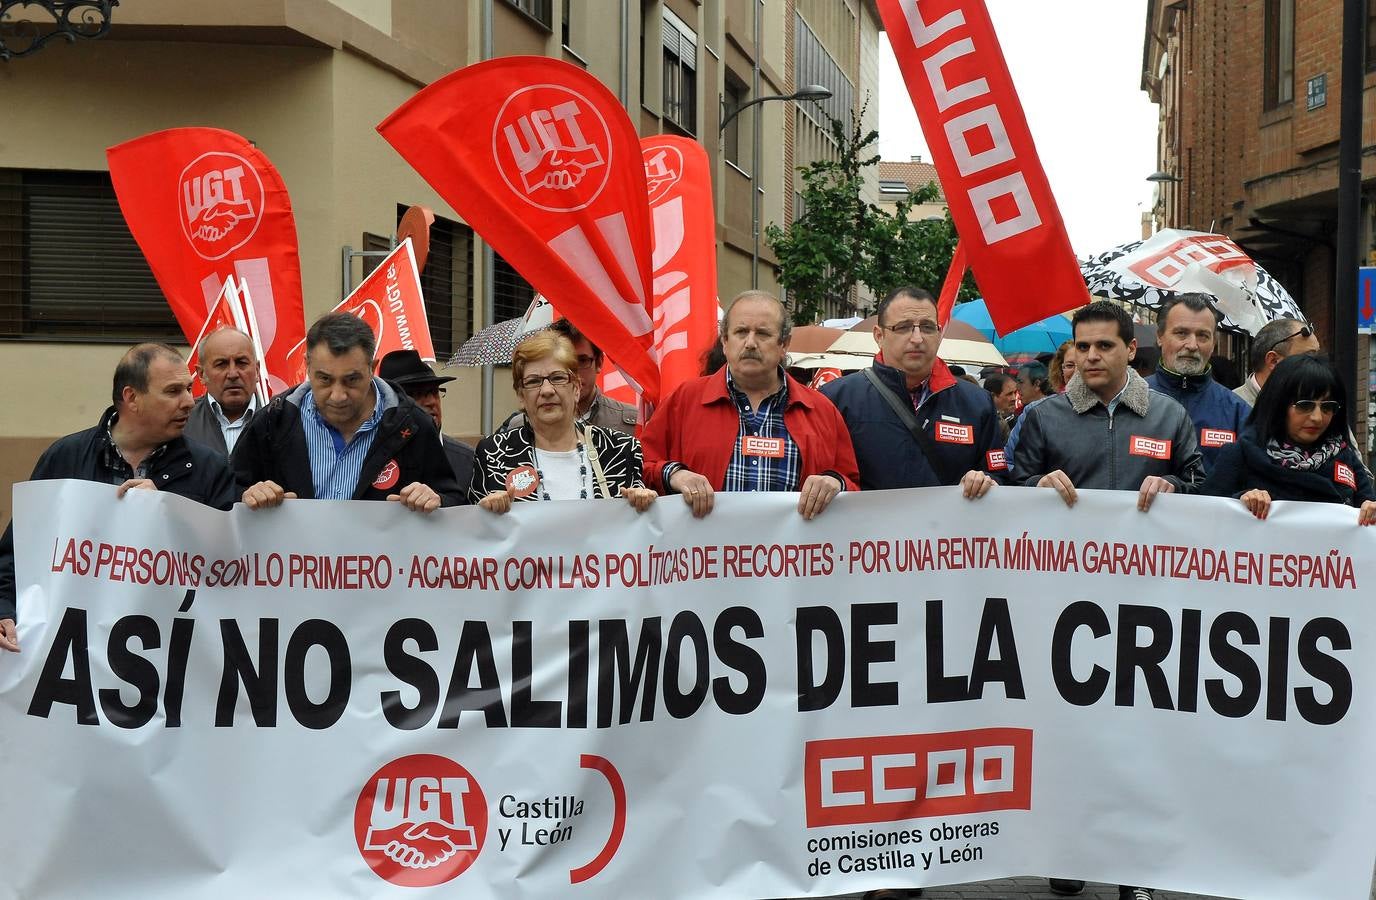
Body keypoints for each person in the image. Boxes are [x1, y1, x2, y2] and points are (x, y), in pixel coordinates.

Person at [0, 343, 236, 653]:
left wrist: (167, 512)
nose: (189, 402)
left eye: (189, 389)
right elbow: (18, 552)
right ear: (131, 397)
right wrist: (4, 610)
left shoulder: (210, 467)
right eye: (173, 391)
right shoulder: (65, 458)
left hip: (170, 651)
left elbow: (228, 565)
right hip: (76, 652)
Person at [641, 290, 859, 519]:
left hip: (792, 543)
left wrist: (835, 482)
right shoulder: (684, 401)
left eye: (763, 334)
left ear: (784, 344)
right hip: (704, 541)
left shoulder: (821, 410)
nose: (751, 343)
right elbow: (640, 467)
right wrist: (674, 474)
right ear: (725, 341)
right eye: (741, 332)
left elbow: (852, 486)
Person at [233, 312, 461, 511]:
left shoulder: (413, 426)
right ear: (308, 366)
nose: (338, 395)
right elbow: (228, 497)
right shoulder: (273, 422)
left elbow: (455, 504)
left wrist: (436, 500)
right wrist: (249, 496)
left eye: (351, 380)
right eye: (325, 379)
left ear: (372, 368)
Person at [1016, 301, 1205, 511]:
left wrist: (1173, 485)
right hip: (1070, 533)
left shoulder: (1170, 415)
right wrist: (1037, 484)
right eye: (1083, 347)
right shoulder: (1044, 416)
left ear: (1131, 349)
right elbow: (1014, 487)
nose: (1092, 356)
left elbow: (1199, 487)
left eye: (1104, 346)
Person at [820, 285, 1004, 497]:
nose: (917, 338)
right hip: (865, 520)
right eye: (903, 327)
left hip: (947, 520)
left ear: (939, 334)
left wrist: (985, 480)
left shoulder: (977, 403)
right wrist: (834, 481)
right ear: (879, 335)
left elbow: (999, 477)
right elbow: (820, 473)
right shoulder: (836, 398)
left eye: (927, 327)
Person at [471, 331, 654, 513]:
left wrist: (642, 504)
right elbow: (471, 525)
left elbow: (638, 526)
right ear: (521, 396)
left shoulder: (621, 449)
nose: (547, 390)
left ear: (576, 388)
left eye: (557, 378)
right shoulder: (493, 454)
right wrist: (485, 512)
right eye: (534, 381)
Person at [1203, 354, 1376, 522]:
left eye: (1327, 407)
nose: (1317, 417)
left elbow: (1368, 511)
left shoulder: (1346, 458)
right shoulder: (1241, 454)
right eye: (1304, 405)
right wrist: (1240, 502)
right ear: (1278, 404)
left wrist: (1370, 510)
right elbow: (1206, 515)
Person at [1145, 294, 1251, 474]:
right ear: (1160, 337)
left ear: (1213, 343)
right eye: (1181, 333)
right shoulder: (1130, 400)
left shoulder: (1238, 412)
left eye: (1202, 336)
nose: (1192, 345)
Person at [500, 318, 638, 435]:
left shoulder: (632, 423)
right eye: (562, 364)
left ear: (599, 362)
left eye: (582, 361)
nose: (573, 372)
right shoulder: (518, 426)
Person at [377, 349, 475, 494]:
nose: (431, 402)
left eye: (434, 392)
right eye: (416, 394)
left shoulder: (468, 459)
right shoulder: (370, 457)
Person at [183, 326, 260, 456]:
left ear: (257, 371)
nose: (233, 374)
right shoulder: (181, 421)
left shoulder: (281, 420)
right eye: (221, 364)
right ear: (201, 374)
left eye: (241, 363)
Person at [1234, 317, 1319, 405]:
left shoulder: (1315, 405)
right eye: (1309, 357)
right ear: (1273, 361)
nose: (1319, 365)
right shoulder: (1231, 409)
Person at [983, 372, 1019, 442]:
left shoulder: (1021, 422)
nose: (1014, 398)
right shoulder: (983, 423)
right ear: (993, 396)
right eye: (1009, 394)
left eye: (1015, 393)